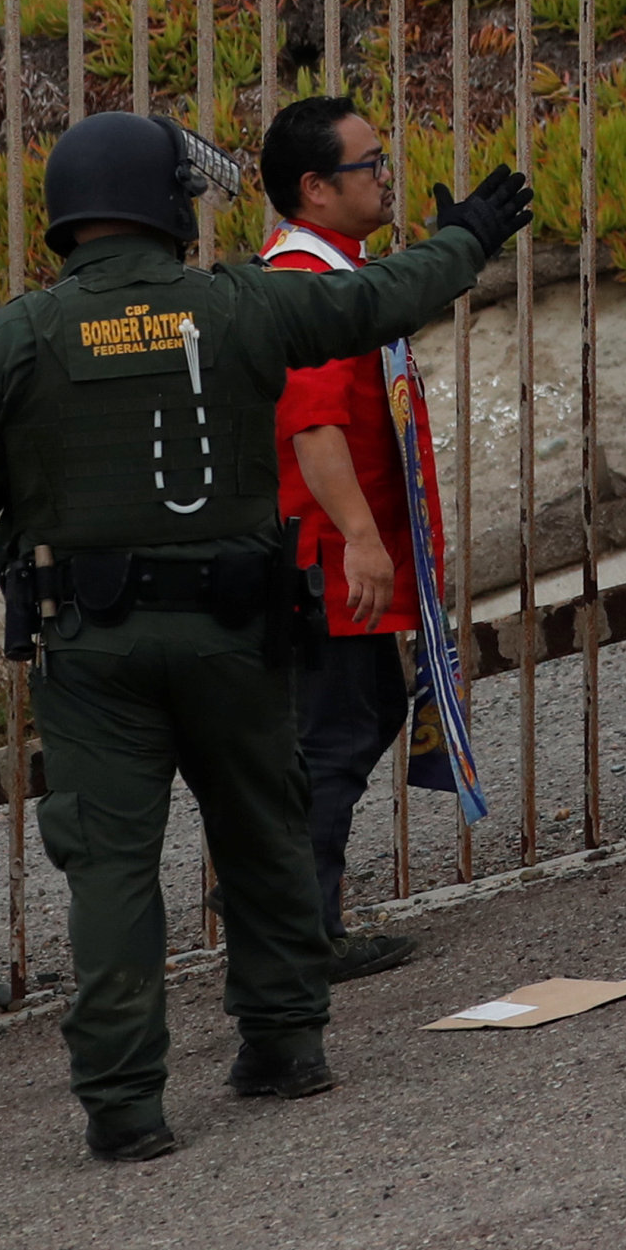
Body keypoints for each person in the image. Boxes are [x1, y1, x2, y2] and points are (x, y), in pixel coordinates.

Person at [0, 113, 530, 1163]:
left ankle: (124, 1104)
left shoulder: (23, 332)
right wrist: (468, 233)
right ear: (166, 203)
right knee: (259, 825)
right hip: (236, 628)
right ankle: (284, 1043)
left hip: (94, 647)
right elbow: (372, 299)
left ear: (70, 215)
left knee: (111, 866)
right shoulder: (240, 302)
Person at [257, 91, 459, 983]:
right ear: (315, 188)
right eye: (368, 166)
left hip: (348, 554)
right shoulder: (304, 286)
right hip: (329, 560)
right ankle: (300, 920)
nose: (385, 177)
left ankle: (284, 889)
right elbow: (314, 427)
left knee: (365, 711)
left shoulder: (340, 269)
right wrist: (364, 541)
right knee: (337, 732)